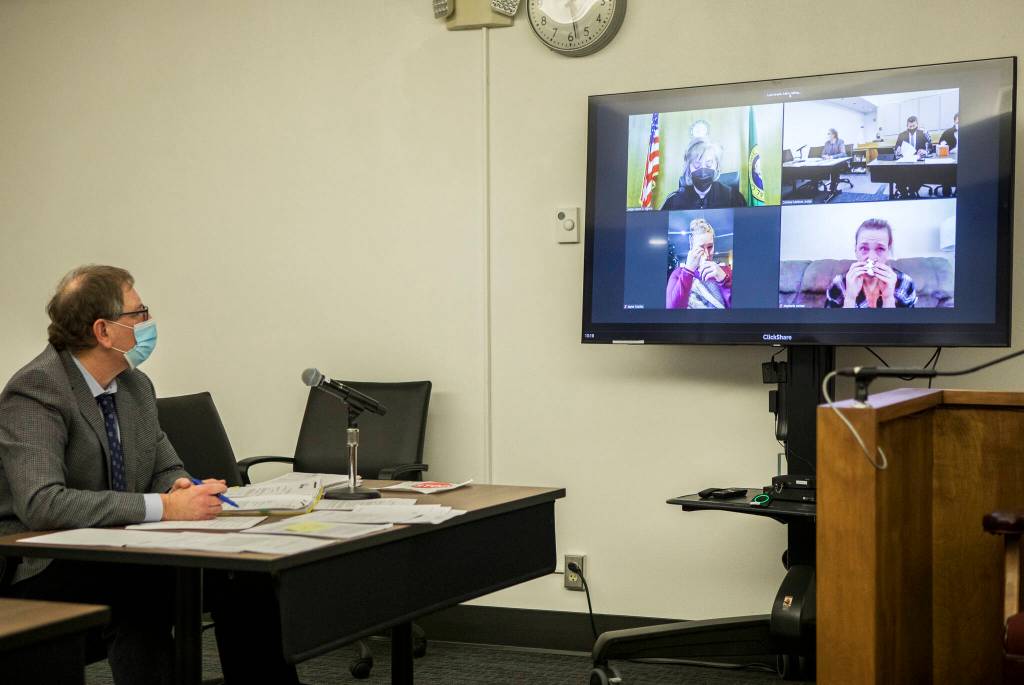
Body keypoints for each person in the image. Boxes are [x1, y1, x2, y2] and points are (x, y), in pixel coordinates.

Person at [0, 265, 301, 684]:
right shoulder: (37, 390)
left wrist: (181, 489)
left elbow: (167, 468)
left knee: (244, 573)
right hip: (44, 558)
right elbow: (41, 504)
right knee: (135, 590)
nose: (148, 322)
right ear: (103, 331)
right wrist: (164, 505)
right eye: (138, 313)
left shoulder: (135, 386)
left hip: (120, 544)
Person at [824, 219, 917, 308]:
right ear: (856, 250)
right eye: (864, 248)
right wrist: (849, 299)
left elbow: (909, 323)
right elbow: (830, 323)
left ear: (888, 251)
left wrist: (888, 299)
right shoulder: (839, 284)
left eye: (880, 249)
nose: (871, 257)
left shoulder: (905, 284)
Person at [660, 137, 746, 210]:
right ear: (688, 167)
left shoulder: (733, 198)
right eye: (697, 164)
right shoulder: (674, 200)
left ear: (716, 165)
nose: (703, 170)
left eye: (709, 163)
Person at [666, 218, 732, 309]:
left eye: (710, 247)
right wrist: (688, 271)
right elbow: (672, 310)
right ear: (691, 244)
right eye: (701, 247)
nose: (707, 254)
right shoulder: (678, 274)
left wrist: (724, 280)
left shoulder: (726, 271)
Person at [892, 115, 930, 198]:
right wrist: (897, 149)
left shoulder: (923, 133)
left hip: (919, 161)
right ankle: (904, 193)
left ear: (917, 125)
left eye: (914, 126)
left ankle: (913, 191)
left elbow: (930, 147)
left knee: (921, 175)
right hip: (905, 161)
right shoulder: (902, 135)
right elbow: (896, 147)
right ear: (907, 126)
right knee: (897, 174)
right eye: (910, 126)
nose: (912, 128)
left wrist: (925, 151)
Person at [821, 128, 847, 196]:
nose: (827, 135)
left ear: (834, 135)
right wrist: (824, 156)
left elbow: (843, 153)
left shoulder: (840, 141)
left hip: (840, 163)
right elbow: (823, 154)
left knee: (834, 169)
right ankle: (814, 188)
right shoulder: (827, 143)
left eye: (829, 133)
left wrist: (832, 157)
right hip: (829, 162)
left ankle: (833, 189)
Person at [938, 112, 959, 196]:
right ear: (954, 122)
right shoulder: (947, 132)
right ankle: (946, 192)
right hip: (951, 156)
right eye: (958, 122)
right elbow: (940, 144)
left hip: (965, 157)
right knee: (945, 169)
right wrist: (944, 145)